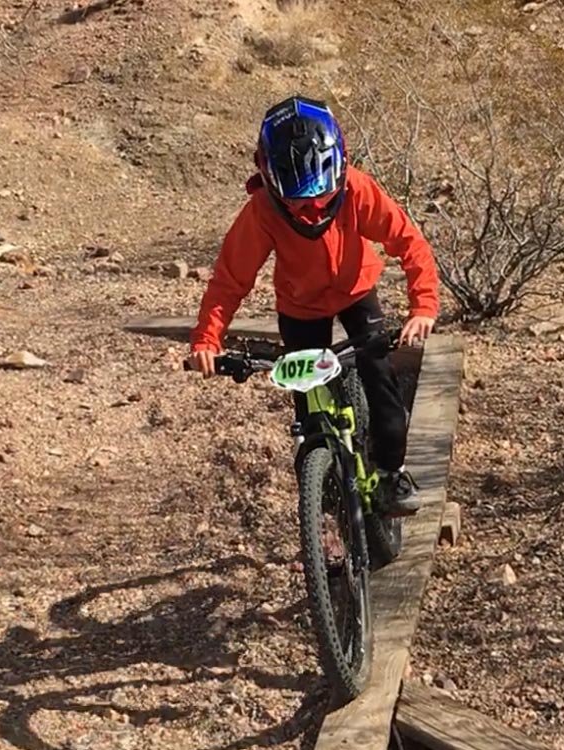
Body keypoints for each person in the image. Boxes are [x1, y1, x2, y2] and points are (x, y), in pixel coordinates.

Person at [188, 95, 439, 515]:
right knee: (309, 410)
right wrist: (207, 339)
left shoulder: (358, 189)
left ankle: (392, 475)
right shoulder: (263, 211)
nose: (310, 210)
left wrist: (424, 306)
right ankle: (323, 484)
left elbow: (409, 243)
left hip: (357, 291)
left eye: (320, 199)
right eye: (297, 202)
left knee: (381, 383)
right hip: (301, 307)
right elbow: (230, 280)